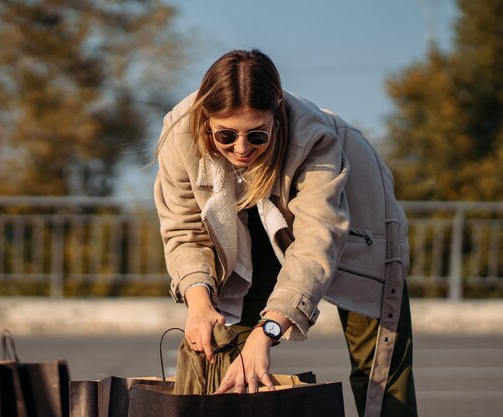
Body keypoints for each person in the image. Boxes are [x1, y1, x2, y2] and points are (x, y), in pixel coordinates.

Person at [153, 49, 417, 417]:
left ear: (276, 119)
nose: (242, 149)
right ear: (205, 120)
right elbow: (184, 227)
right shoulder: (180, 132)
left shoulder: (314, 138)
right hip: (250, 221)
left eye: (257, 136)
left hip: (359, 225)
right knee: (236, 356)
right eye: (226, 135)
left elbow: (316, 241)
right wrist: (198, 302)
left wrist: (270, 331)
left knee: (379, 371)